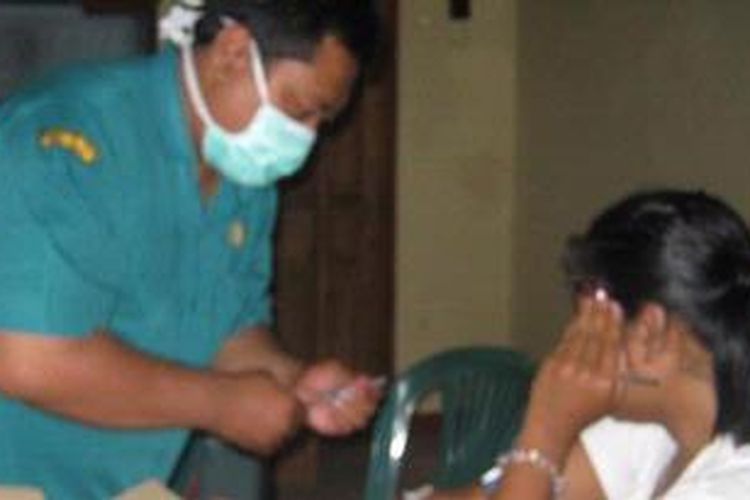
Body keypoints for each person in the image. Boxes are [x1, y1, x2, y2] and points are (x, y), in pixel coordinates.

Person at [0, 0, 383, 498]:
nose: (306, 138)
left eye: (322, 121)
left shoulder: (242, 169)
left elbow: (225, 326)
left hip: (122, 483)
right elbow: (28, 359)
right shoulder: (68, 137)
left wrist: (291, 380)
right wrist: (220, 404)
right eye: (298, 109)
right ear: (233, 51)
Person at [422, 190, 750, 499]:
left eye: (588, 322)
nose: (570, 337)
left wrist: (544, 432)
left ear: (648, 333)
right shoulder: (657, 430)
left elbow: (533, 472)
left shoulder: (730, 487)